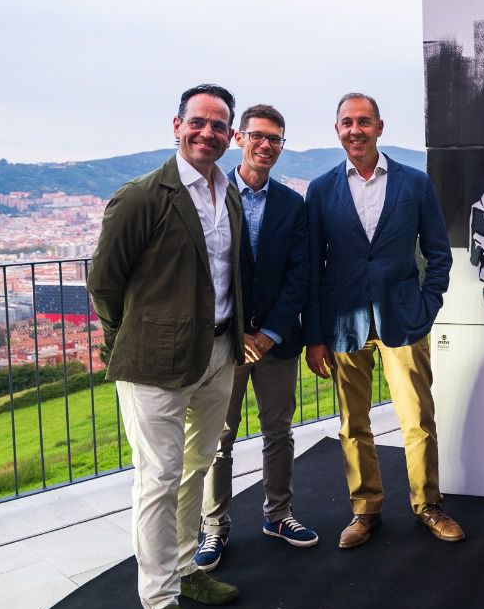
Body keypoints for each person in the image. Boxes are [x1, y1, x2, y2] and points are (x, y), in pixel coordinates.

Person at [87, 83, 245, 609]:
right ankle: (159, 599)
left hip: (219, 353)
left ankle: (185, 569)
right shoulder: (141, 197)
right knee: (157, 477)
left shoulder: (225, 194)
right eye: (198, 122)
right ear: (176, 126)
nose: (208, 132)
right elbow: (104, 283)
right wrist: (128, 338)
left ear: (230, 135)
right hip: (154, 362)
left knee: (198, 464)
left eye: (219, 125)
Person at [304, 92, 464, 547]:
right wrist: (315, 336)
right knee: (353, 424)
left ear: (380, 126)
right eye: (347, 122)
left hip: (403, 320)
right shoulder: (320, 190)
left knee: (417, 420)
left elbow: (437, 252)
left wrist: (427, 304)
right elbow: (314, 267)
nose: (355, 130)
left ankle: (428, 505)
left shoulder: (414, 183)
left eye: (364, 121)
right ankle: (365, 509)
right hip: (343, 325)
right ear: (337, 130)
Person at [195, 104, 318, 572]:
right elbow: (208, 272)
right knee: (217, 438)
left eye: (276, 139)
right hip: (224, 341)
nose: (267, 145)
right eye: (259, 136)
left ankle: (278, 514)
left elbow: (299, 273)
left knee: (278, 432)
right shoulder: (210, 194)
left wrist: (267, 333)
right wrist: (239, 330)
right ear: (240, 139)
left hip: (277, 341)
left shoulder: (293, 204)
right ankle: (214, 528)